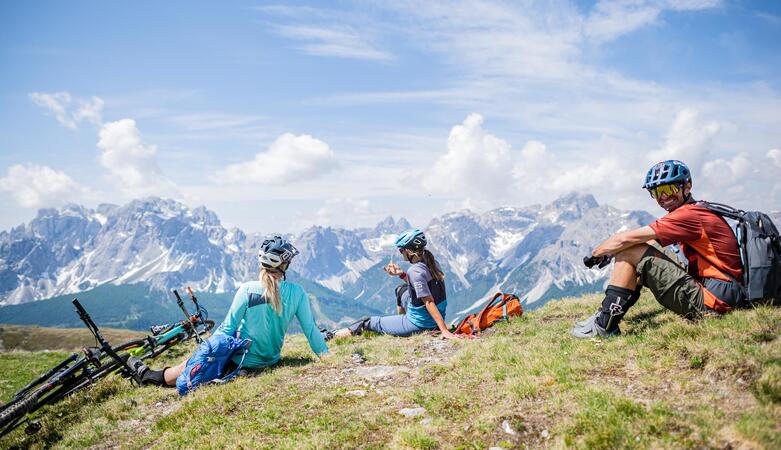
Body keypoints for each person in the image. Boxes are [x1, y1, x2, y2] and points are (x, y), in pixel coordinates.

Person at [571, 159, 744, 338]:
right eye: (656, 192)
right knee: (641, 246)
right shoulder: (696, 209)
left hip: (715, 302)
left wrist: (597, 253)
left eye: (668, 189)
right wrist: (613, 250)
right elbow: (647, 241)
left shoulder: (688, 215)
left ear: (688, 185)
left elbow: (626, 238)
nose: (662, 197)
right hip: (722, 292)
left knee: (629, 251)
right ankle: (606, 316)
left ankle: (603, 325)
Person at [129, 236, 329, 386]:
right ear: (283, 265)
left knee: (187, 366)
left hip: (241, 361)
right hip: (271, 359)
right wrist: (328, 359)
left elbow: (226, 328)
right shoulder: (298, 292)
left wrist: (203, 354)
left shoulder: (247, 289)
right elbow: (311, 331)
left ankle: (147, 377)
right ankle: (151, 375)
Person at [332, 228, 461, 340]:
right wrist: (401, 274)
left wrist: (444, 330)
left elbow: (429, 301)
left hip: (421, 324)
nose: (401, 253)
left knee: (366, 323)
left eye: (401, 250)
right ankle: (401, 324)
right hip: (431, 319)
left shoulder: (415, 271)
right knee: (401, 290)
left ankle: (331, 336)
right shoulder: (432, 263)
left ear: (409, 251)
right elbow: (422, 286)